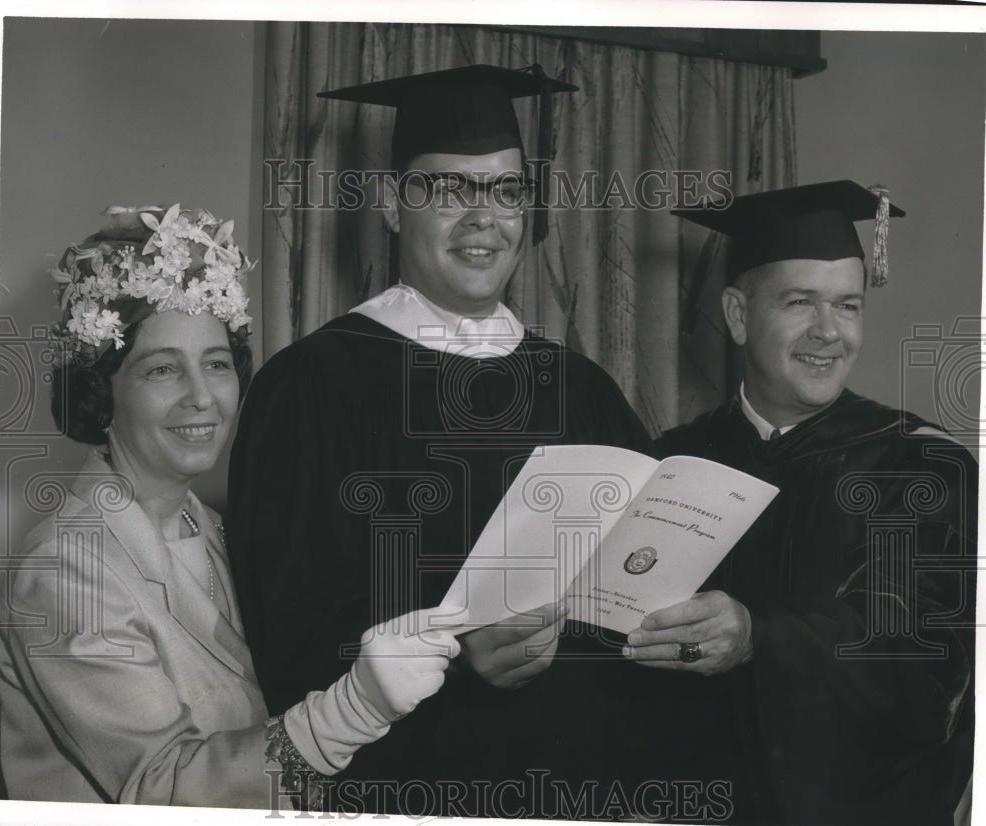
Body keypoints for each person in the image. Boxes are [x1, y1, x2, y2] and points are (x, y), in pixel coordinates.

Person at [228, 65, 746, 818]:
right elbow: (288, 627)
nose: (484, 217)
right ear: (393, 206)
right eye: (447, 189)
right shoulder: (311, 385)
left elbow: (642, 589)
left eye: (505, 191)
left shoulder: (580, 387)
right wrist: (458, 649)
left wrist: (694, 623)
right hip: (416, 793)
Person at [0, 205, 464, 809]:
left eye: (216, 364)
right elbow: (164, 792)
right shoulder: (66, 573)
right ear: (99, 394)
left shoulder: (215, 527)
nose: (201, 398)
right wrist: (355, 708)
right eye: (162, 369)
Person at [631, 181, 975, 825]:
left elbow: (930, 673)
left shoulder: (919, 466)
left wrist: (762, 637)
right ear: (737, 315)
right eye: (800, 302)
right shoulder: (667, 465)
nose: (828, 332)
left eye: (848, 306)